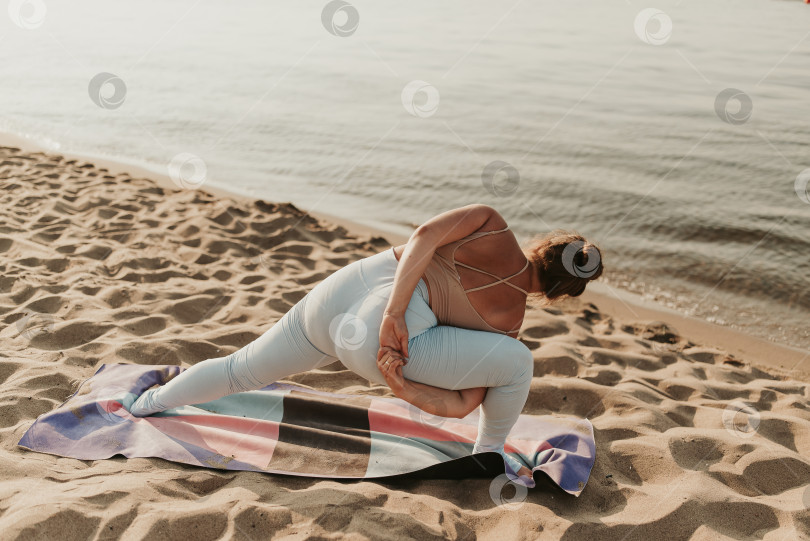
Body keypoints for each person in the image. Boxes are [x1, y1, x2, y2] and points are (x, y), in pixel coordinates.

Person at [126, 204, 603, 483]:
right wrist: (406, 388)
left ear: (545, 246)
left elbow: (422, 236)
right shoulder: (510, 318)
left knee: (240, 370)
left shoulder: (489, 221)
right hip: (387, 341)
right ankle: (488, 454)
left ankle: (148, 403)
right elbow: (462, 405)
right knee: (516, 364)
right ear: (562, 292)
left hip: (339, 295)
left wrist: (394, 307)